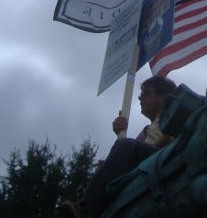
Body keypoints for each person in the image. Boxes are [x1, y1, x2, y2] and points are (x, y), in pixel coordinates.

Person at [58, 75, 177, 218]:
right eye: (140, 94)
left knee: (126, 146)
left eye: (146, 93)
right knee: (118, 154)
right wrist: (113, 159)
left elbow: (167, 141)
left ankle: (86, 211)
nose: (140, 98)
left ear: (163, 97)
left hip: (162, 161)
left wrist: (126, 150)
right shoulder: (147, 130)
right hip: (144, 164)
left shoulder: (173, 115)